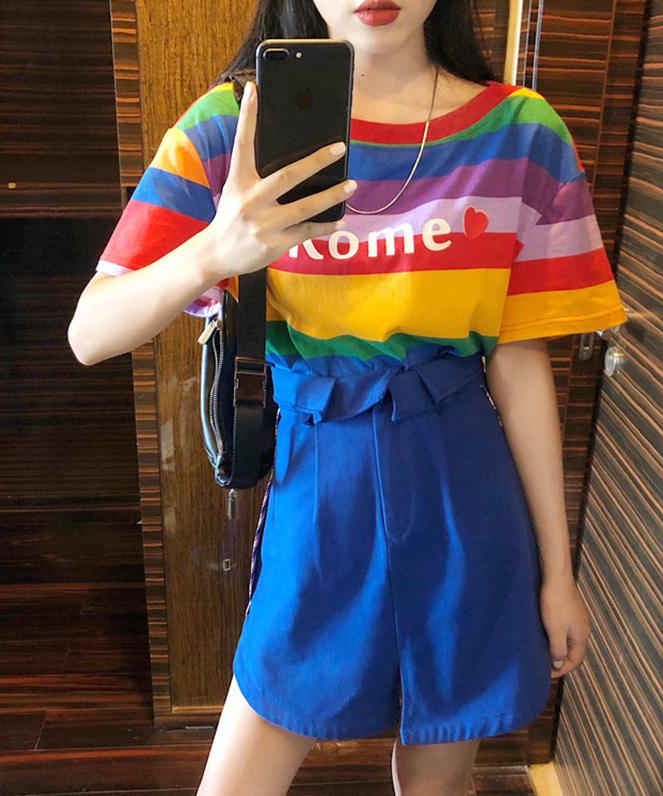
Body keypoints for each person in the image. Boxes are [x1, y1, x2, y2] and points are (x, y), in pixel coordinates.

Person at [69, 1, 628, 794]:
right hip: (319, 481)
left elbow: (519, 362)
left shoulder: (519, 134)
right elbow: (91, 332)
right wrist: (215, 250)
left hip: (464, 485)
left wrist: (557, 572)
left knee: (439, 773)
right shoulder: (235, 125)